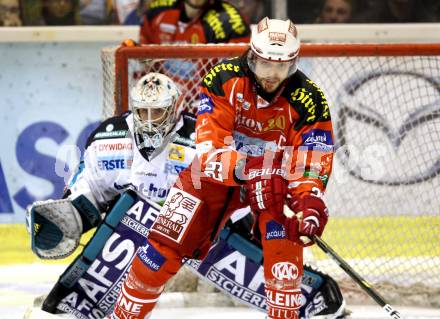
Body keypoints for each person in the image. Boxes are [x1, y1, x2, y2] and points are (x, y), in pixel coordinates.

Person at [27, 71, 344, 318]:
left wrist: (263, 203)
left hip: (202, 237)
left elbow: (233, 190)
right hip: (142, 240)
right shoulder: (110, 136)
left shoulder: (198, 136)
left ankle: (308, 296)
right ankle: (76, 305)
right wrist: (70, 215)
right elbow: (88, 190)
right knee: (132, 214)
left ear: (175, 109)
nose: (150, 120)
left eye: (158, 112)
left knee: (242, 248)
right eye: (144, 112)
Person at [110, 17, 335, 319]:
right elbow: (210, 151)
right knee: (161, 249)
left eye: (281, 67)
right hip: (213, 177)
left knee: (285, 248)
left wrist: (309, 202)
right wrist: (253, 171)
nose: (272, 75)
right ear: (252, 55)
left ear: (293, 63)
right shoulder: (222, 77)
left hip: (274, 183)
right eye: (266, 65)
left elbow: (312, 160)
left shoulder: (311, 99)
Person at [139, 0, 250, 44]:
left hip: (207, 92)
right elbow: (143, 61)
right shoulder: (157, 11)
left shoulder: (231, 22)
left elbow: (236, 74)